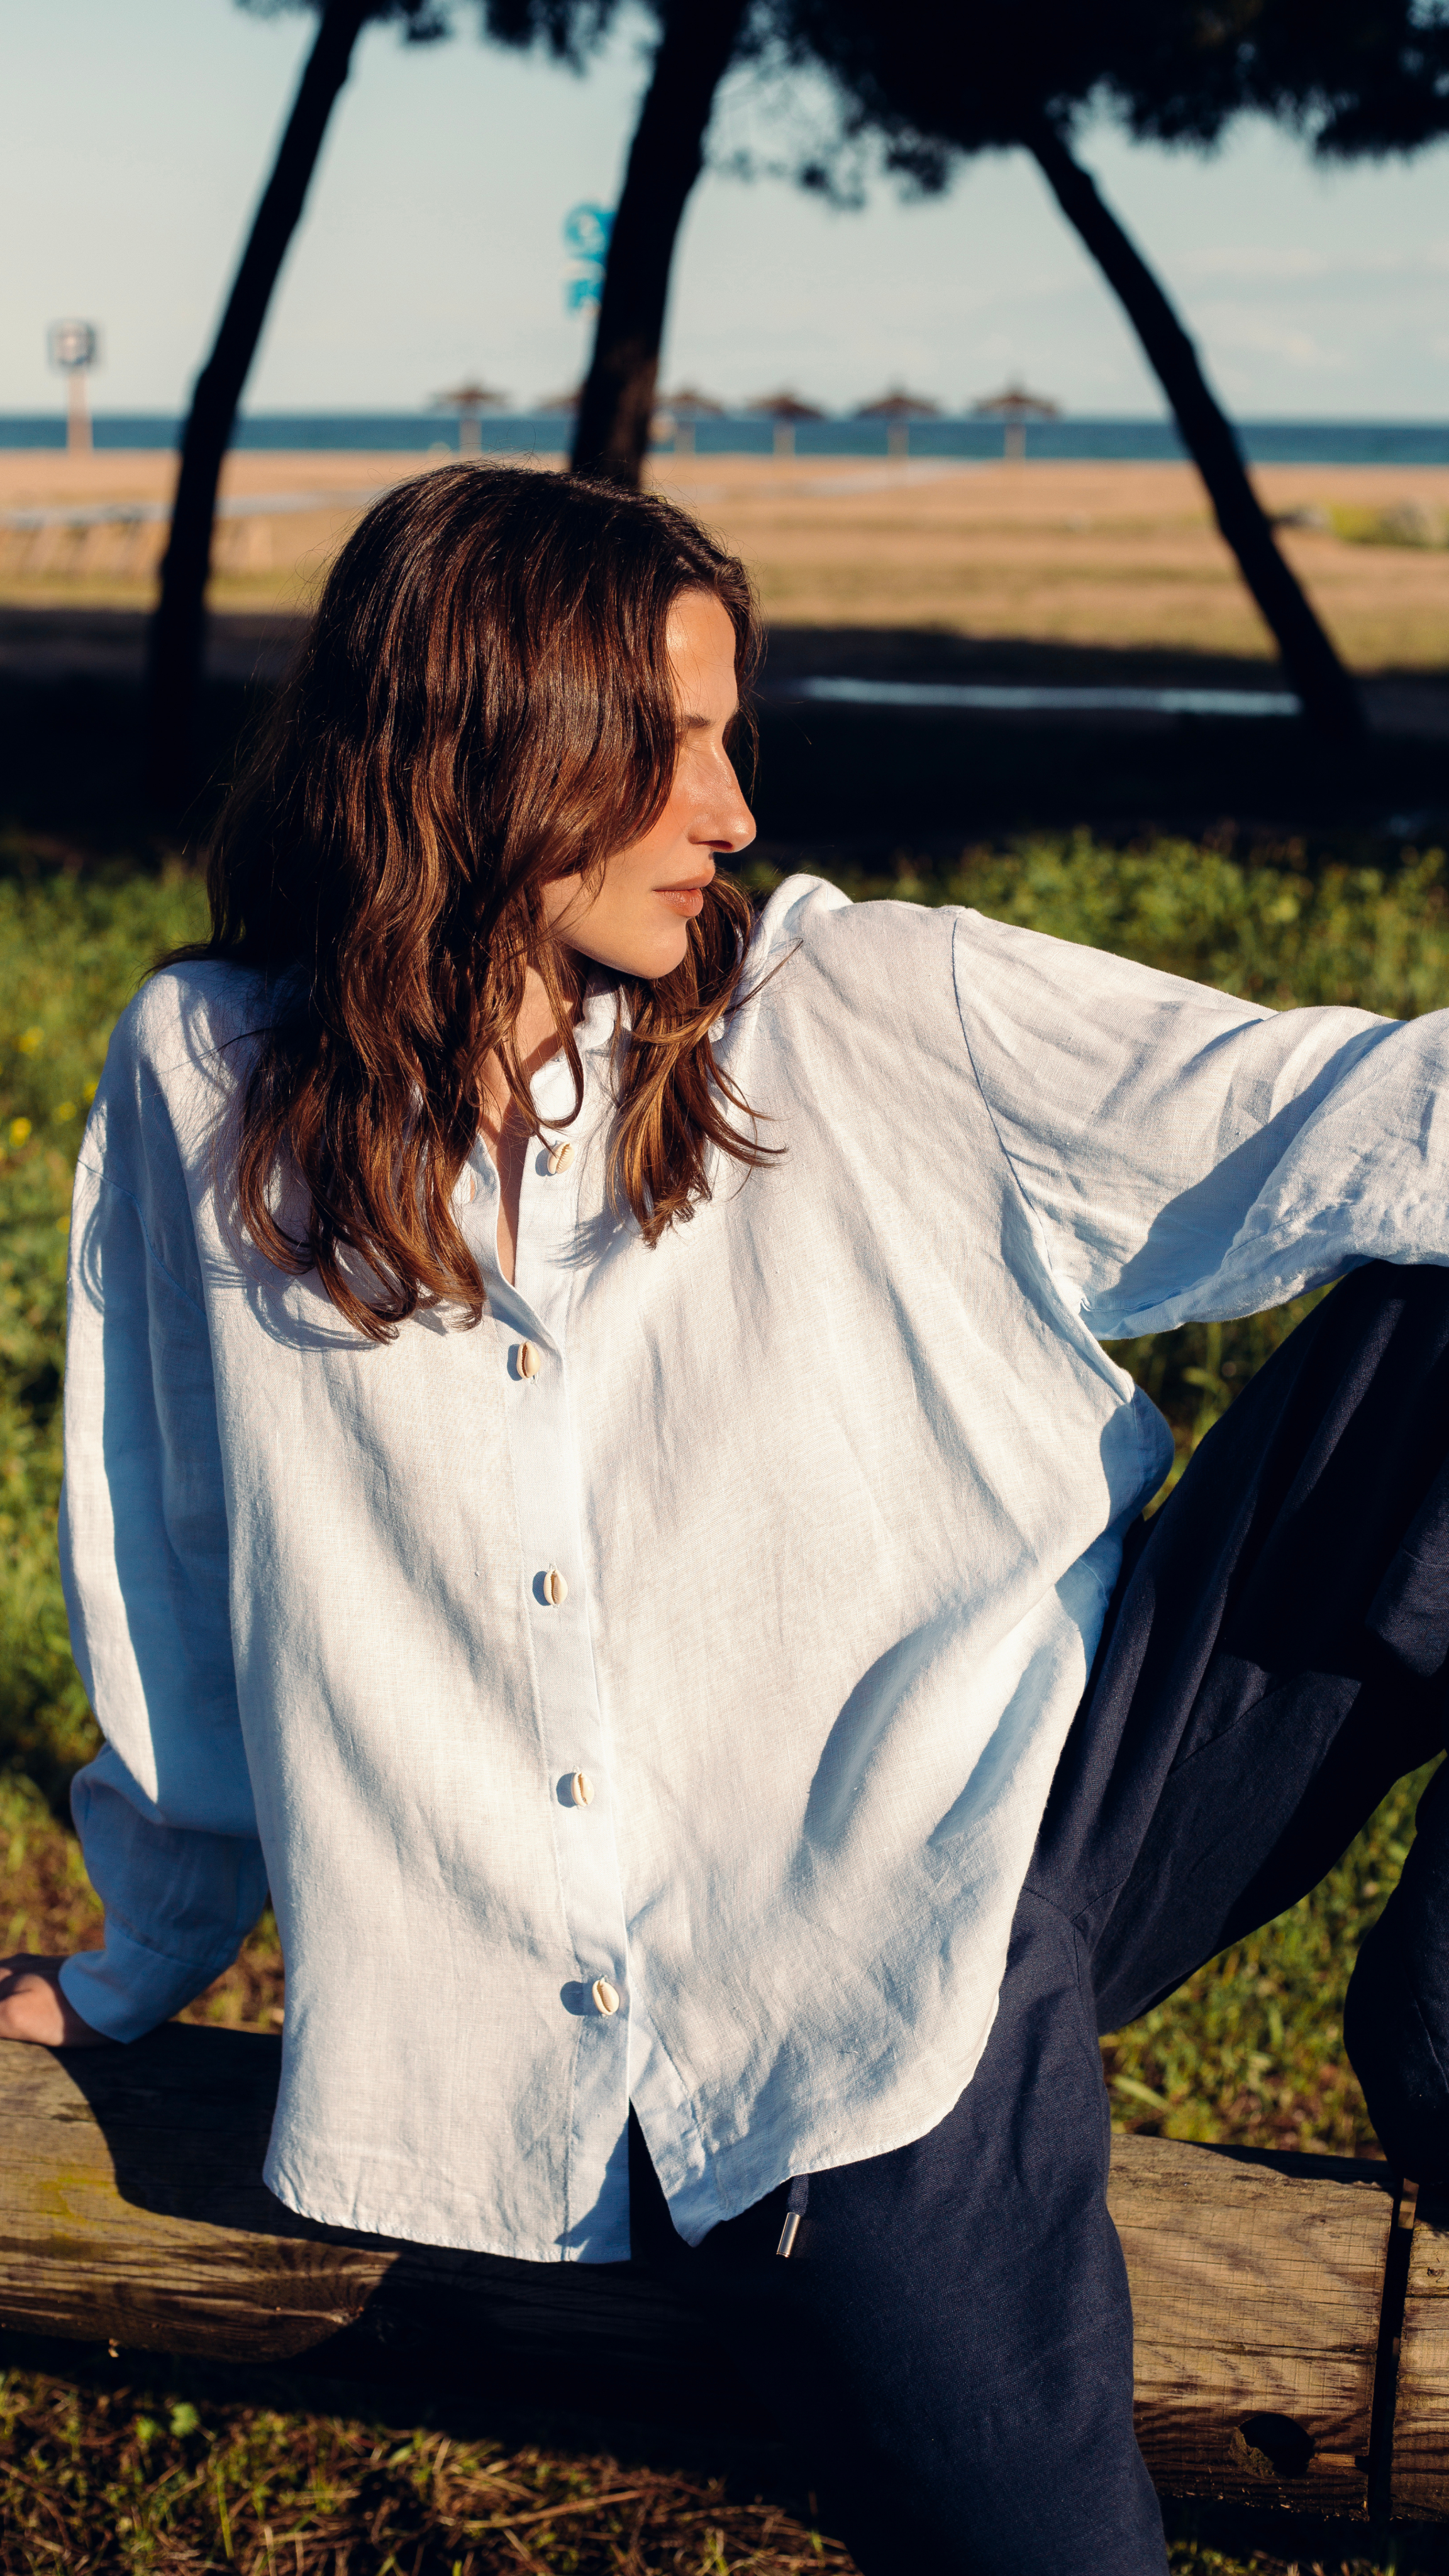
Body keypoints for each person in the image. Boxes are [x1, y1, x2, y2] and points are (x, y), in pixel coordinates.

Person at [3, 459, 1448, 2575]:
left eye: (725, 733)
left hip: (1086, 1785)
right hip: (807, 2026)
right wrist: (138, 1957)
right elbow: (184, 1567)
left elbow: (1345, 1116)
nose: (734, 807)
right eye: (666, 743)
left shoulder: (852, 1011)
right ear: (487, 747)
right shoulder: (211, 1081)